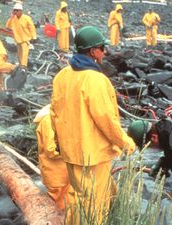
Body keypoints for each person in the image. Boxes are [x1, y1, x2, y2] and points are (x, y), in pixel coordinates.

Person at [50, 26, 136, 224]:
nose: (105, 51)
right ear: (91, 51)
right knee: (95, 205)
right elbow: (106, 118)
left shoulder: (62, 76)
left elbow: (54, 113)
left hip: (71, 151)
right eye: (102, 47)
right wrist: (125, 143)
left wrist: (58, 141)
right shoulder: (95, 79)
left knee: (78, 198)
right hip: (92, 155)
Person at [34, 104, 71, 210]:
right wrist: (70, 152)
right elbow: (51, 149)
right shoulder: (47, 120)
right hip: (55, 172)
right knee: (57, 202)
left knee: (66, 200)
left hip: (62, 171)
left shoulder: (54, 117)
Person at [6, 3, 37, 68]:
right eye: (14, 10)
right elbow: (7, 27)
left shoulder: (27, 18)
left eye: (17, 10)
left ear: (21, 11)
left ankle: (23, 67)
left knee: (24, 55)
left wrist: (34, 37)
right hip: (18, 40)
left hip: (25, 40)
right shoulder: (13, 19)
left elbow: (32, 28)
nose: (15, 12)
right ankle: (20, 67)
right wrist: (11, 17)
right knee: (19, 55)